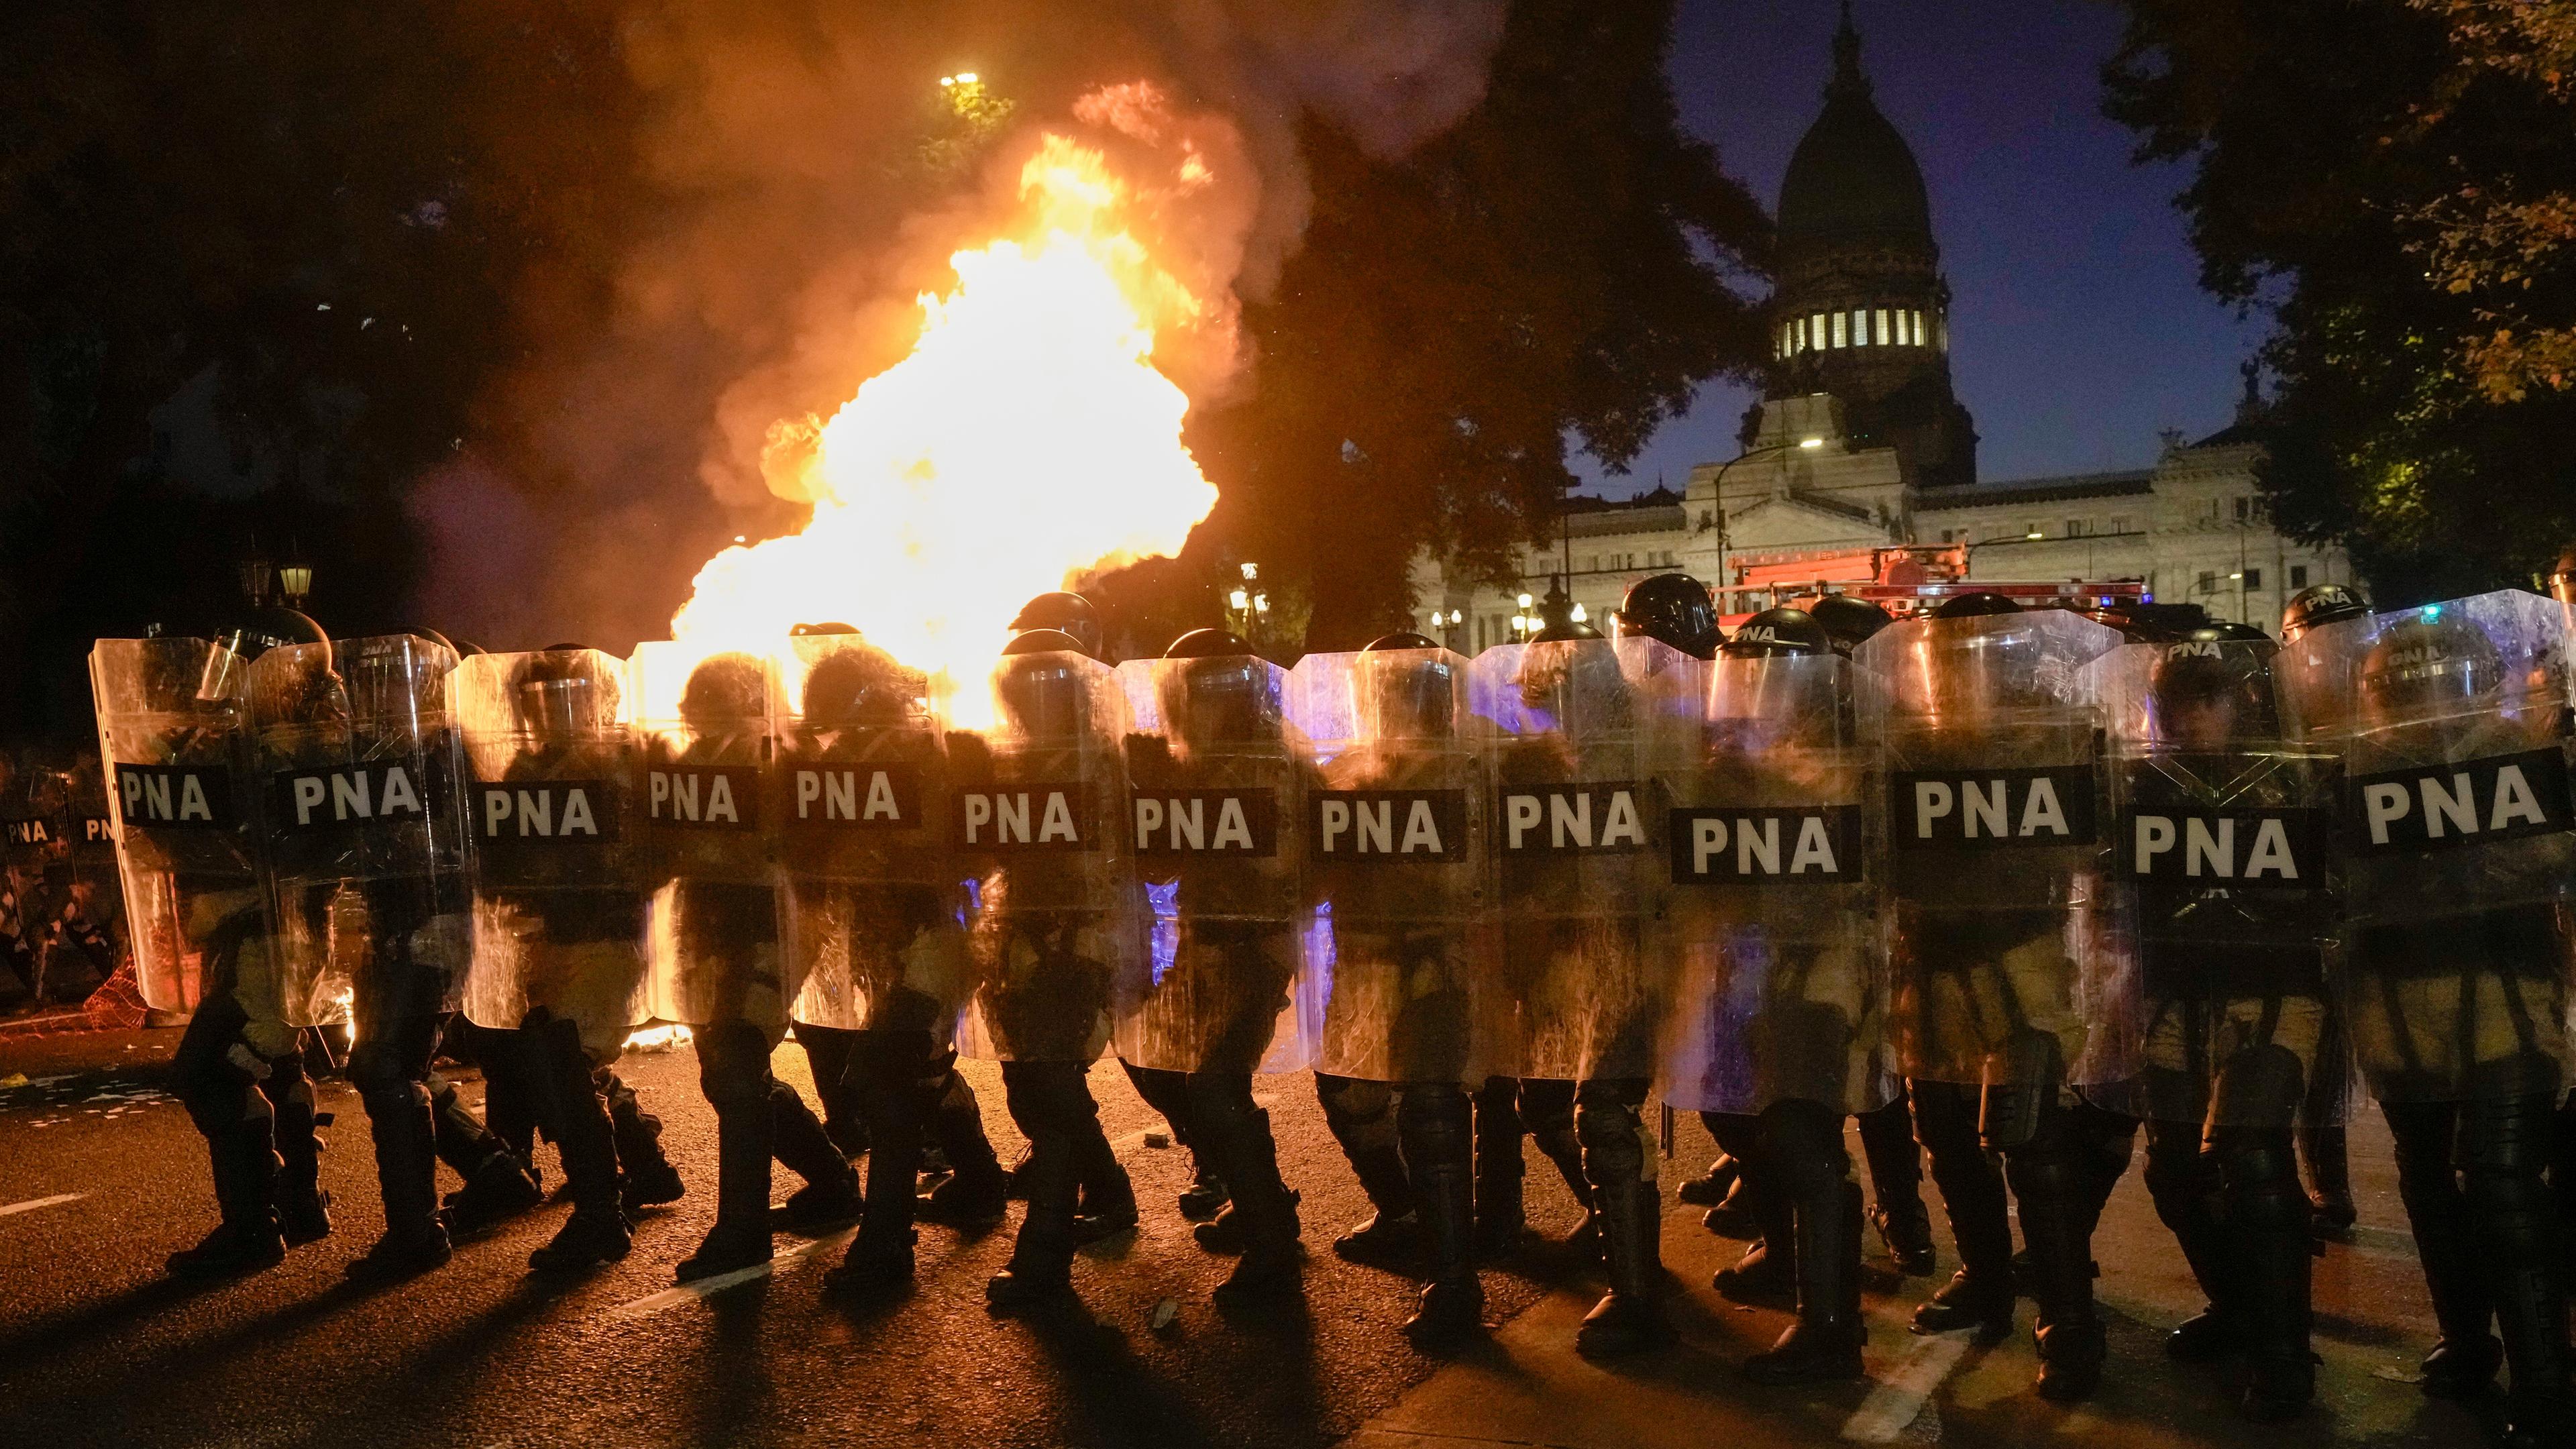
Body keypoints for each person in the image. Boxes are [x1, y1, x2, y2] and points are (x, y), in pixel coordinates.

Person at [1854, 593, 2131, 1400]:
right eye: (1933, 663)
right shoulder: (1901, 745)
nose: (1943, 679)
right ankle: (1983, 1276)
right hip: (1930, 959)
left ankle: (2069, 1324)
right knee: (1943, 1134)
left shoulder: (2051, 737)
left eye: (1957, 662)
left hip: (2022, 957)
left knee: (2032, 1143)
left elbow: (2096, 849)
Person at [2316, 594, 2575, 1447]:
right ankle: (2469, 1341)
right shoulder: (2353, 772)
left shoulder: (2526, 754)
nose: (2411, 696)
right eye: (2395, 682)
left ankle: (2544, 1374)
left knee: (2501, 1183)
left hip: (2507, 995)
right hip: (2398, 1003)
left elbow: (2551, 865)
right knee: (2429, 1179)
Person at [2096, 627, 2335, 1419]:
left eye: (2213, 699)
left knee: (2252, 1154)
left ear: (2250, 701)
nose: (2196, 718)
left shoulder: (2303, 783)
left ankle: (2284, 1356)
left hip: (2271, 992)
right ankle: (2243, 1309)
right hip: (2175, 994)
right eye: (2181, 701)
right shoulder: (2142, 786)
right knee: (2176, 1170)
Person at [250, 628, 537, 1279]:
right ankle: (492, 1172)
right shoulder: (373, 751)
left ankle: (416, 1233)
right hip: (387, 930)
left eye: (393, 682)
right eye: (372, 682)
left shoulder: (446, 751)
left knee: (385, 1068)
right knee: (391, 1063)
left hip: (432, 927)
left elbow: (465, 844)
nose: (380, 693)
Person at [1663, 606, 1886, 1383]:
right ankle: (1787, 1261)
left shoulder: (1853, 759)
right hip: (1739, 967)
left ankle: (1830, 1326)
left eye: (1771, 676)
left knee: (1801, 1135)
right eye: (1745, 674)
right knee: (1735, 1115)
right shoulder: (1724, 759)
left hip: (1818, 970)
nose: (1756, 690)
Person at [1475, 609, 1696, 1356]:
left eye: (1548, 696)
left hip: (1636, 954)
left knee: (1603, 1110)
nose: (1539, 711)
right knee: (1548, 1103)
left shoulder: (1652, 751)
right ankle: (1616, 1230)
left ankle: (1638, 1296)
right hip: (1579, 954)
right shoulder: (1560, 757)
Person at [93, 614, 336, 1276]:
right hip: (272, 937)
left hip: (264, 939)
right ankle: (301, 1199)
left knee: (208, 1074)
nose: (218, 683)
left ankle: (252, 1229)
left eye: (236, 669)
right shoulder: (299, 746)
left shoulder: (269, 753)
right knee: (279, 1068)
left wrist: (185, 753)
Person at [635, 647, 860, 1283]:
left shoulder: (785, 764)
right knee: (730, 1075)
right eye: (699, 708)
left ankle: (742, 1229)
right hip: (711, 930)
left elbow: (815, 858)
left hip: (772, 930)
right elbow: (660, 856)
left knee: (736, 1070)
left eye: (720, 705)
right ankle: (833, 1178)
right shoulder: (687, 765)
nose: (707, 719)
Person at [1293, 631, 1488, 1343]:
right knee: (1344, 1090)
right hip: (1364, 961)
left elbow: (1479, 881)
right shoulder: (1346, 770)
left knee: (1432, 1114)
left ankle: (1455, 1283)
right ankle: (1404, 1213)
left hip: (1436, 961)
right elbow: (1314, 878)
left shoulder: (1473, 766)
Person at [1117, 628, 1314, 1306]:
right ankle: (1257, 1194)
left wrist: (1178, 787)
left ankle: (1271, 1243)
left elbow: (1277, 865)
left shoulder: (1268, 761)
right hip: (1208, 945)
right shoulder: (1206, 758)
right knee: (1152, 1059)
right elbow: (1163, 865)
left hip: (1251, 949)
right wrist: (1155, 790)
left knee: (1210, 1087)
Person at [455, 645, 666, 1273]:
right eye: (539, 702)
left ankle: (600, 1217)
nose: (553, 714)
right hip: (549, 940)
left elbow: (655, 856)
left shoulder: (625, 762)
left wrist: (599, 874)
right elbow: (505, 863)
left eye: (567, 698)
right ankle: (642, 1169)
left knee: (567, 1068)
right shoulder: (527, 768)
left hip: (607, 938)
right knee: (563, 1072)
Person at [959, 626, 1142, 1308]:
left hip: (1079, 941)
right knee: (1032, 1090)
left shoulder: (1099, 760)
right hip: (1018, 938)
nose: (1028, 708)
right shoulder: (1011, 758)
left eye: (1040, 695)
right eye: (1020, 696)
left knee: (1052, 1091)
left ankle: (1043, 1256)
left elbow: (1115, 861)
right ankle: (1113, 1195)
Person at [1808, 594, 1935, 1277]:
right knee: (1821, 1083)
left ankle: (1901, 1211)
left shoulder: (1907, 729)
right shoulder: (1799, 725)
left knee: (1884, 1086)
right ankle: (1845, 1216)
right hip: (1821, 933)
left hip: (1889, 930)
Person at [2277, 582, 2374, 1235]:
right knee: (2321, 1058)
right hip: (2317, 908)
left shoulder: (2387, 700)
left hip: (2383, 903)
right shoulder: (2283, 719)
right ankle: (2327, 1189)